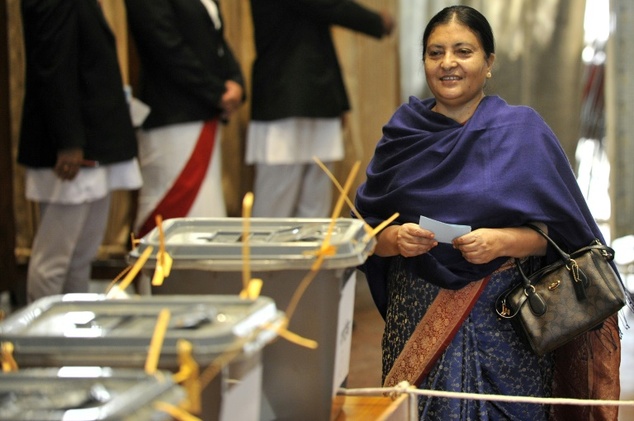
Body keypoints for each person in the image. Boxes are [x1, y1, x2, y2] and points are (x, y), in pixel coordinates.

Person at [354, 5, 622, 420]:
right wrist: (395, 239)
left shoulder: (522, 131)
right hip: (416, 316)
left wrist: (505, 241)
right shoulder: (403, 134)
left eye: (463, 51)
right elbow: (366, 235)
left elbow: (565, 236)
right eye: (435, 52)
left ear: (488, 61)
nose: (448, 63)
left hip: (505, 322)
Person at [19, 0, 142, 303]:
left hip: (95, 142)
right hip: (72, 150)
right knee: (53, 262)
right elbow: (52, 63)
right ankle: (43, 332)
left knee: (81, 257)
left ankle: (73, 328)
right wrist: (68, 140)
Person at [246, 0, 395, 218]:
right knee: (274, 208)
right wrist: (376, 21)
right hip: (284, 99)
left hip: (319, 97)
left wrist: (338, 102)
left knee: (315, 209)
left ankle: (312, 244)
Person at [125, 0, 245, 237]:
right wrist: (216, 92)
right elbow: (166, 47)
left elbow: (216, 41)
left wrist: (236, 82)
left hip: (205, 112)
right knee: (174, 217)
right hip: (172, 115)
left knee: (208, 217)